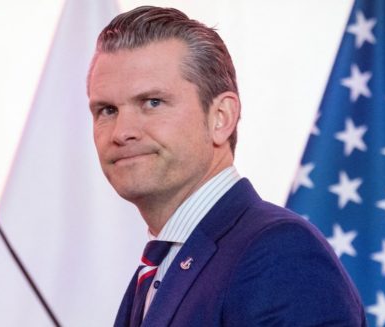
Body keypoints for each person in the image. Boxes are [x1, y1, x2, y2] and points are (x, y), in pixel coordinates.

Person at [87, 6, 366, 327]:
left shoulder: (280, 253)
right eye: (107, 110)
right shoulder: (160, 267)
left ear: (221, 117)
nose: (122, 132)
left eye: (152, 102)